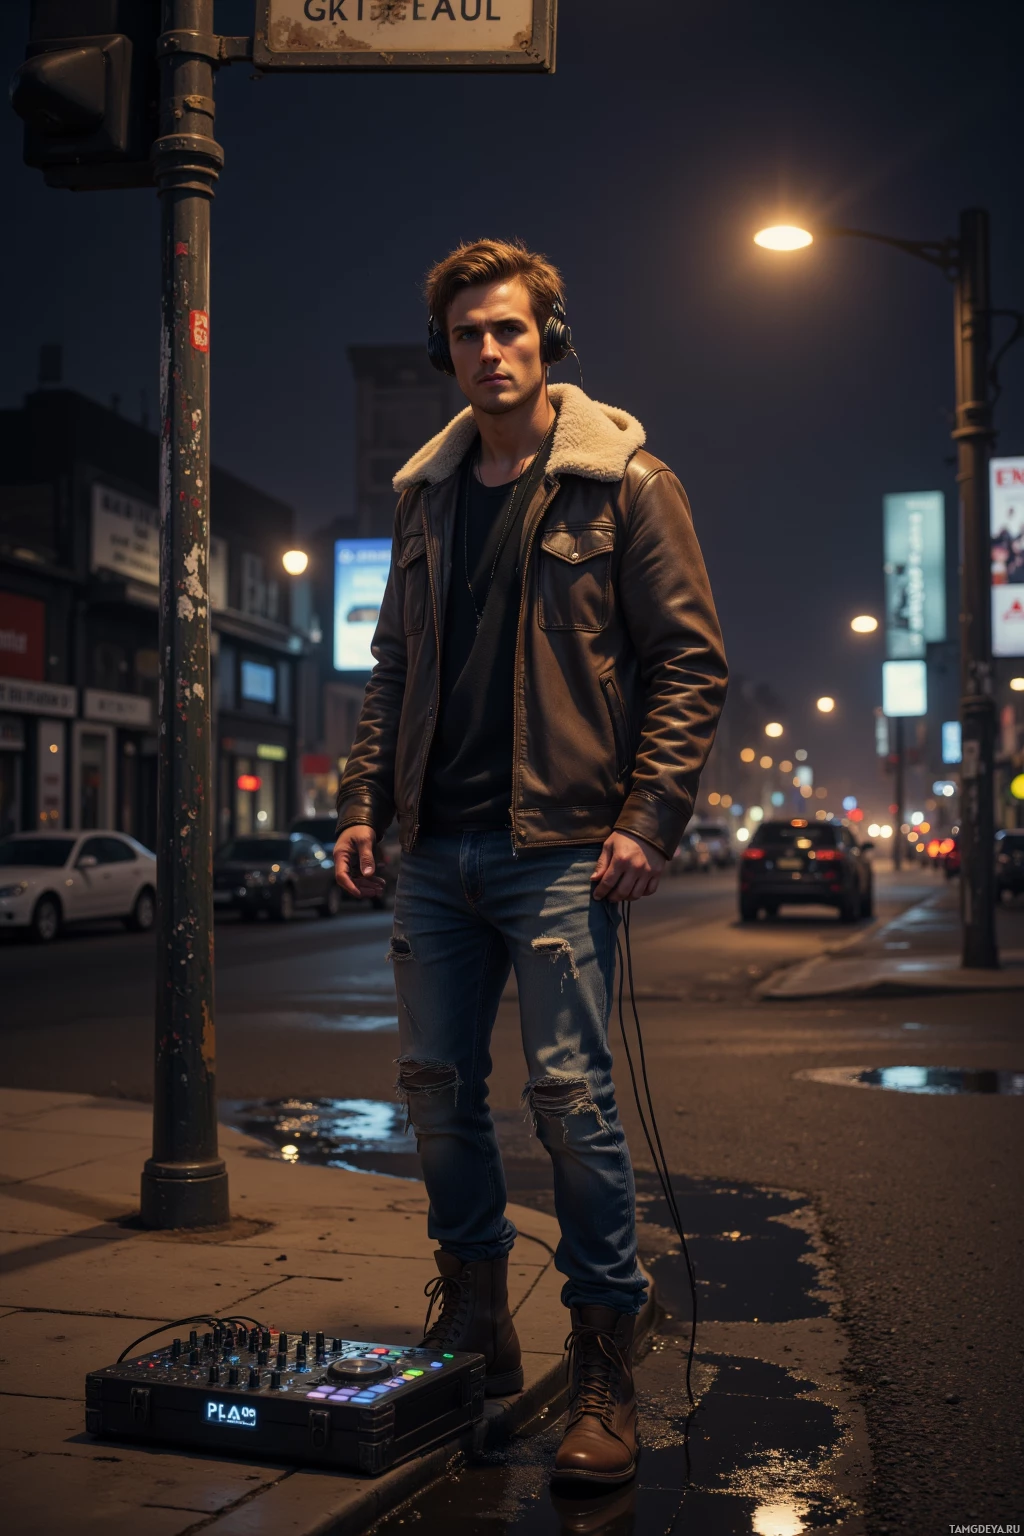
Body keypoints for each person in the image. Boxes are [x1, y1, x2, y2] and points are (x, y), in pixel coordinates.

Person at [334, 238, 726, 1486]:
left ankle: (605, 1356)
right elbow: (395, 666)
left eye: (508, 330)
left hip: (560, 847)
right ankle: (476, 1327)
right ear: (445, 350)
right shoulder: (426, 495)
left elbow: (688, 664)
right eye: (466, 335)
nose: (488, 352)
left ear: (548, 337)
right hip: (433, 848)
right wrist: (360, 800)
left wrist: (646, 818)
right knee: (437, 1094)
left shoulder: (627, 484)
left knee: (570, 1105)